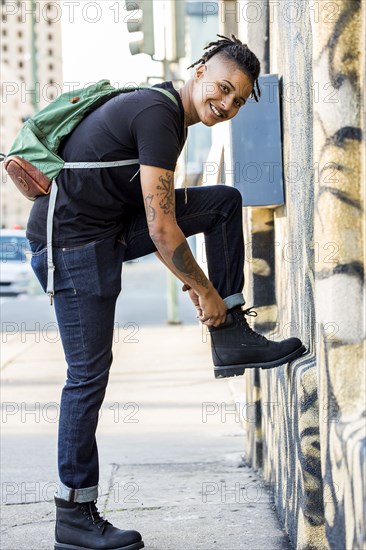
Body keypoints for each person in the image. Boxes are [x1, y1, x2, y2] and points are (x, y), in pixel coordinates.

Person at [27, 35, 305, 550]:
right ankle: (74, 511)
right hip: (71, 245)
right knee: (87, 376)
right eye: (222, 89)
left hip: (102, 231)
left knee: (222, 202)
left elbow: (163, 217)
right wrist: (205, 293)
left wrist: (216, 300)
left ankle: (232, 338)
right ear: (199, 71)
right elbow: (162, 229)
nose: (225, 105)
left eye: (238, 100)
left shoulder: (165, 113)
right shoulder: (158, 115)